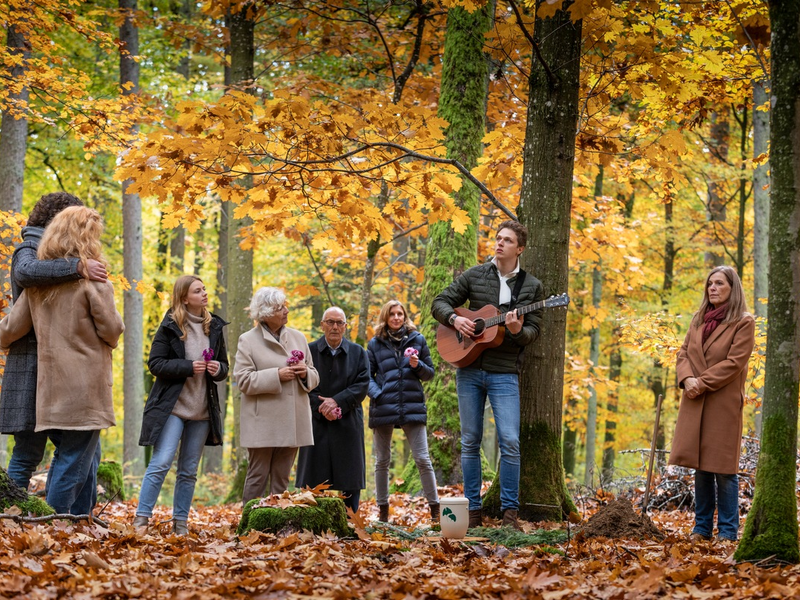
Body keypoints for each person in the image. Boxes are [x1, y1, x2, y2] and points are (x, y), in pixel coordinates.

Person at [0, 206, 124, 515]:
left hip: (49, 387)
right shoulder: (94, 281)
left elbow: (10, 330)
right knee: (74, 457)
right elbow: (112, 330)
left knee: (60, 455)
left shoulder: (36, 287)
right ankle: (57, 524)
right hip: (86, 386)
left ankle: (42, 521)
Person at [432, 220, 544, 529]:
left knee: (509, 441)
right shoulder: (474, 275)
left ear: (519, 248)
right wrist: (456, 319)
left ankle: (510, 513)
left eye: (507, 240)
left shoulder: (531, 287)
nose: (499, 244)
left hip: (504, 372)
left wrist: (518, 331)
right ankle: (473, 511)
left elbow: (533, 332)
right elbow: (439, 302)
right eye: (497, 238)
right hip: (468, 368)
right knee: (470, 441)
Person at [134, 275, 228, 535]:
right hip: (173, 408)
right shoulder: (170, 325)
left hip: (202, 411)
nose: (204, 294)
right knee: (162, 461)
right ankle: (141, 520)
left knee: (188, 470)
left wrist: (217, 368)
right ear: (185, 298)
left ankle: (180, 523)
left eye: (205, 289)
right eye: (198, 291)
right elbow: (155, 364)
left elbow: (225, 367)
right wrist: (188, 367)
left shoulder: (215, 327)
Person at [669, 265, 755, 542]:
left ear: (733, 288)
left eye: (719, 283)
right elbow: (683, 353)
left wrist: (700, 382)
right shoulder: (698, 318)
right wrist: (687, 379)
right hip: (694, 400)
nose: (713, 288)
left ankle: (728, 531)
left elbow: (734, 363)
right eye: (710, 284)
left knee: (723, 468)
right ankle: (701, 528)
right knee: (700, 466)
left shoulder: (743, 321)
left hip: (722, 402)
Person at [235, 287, 320, 505]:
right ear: (265, 312)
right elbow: (243, 380)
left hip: (293, 420)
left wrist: (305, 373)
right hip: (262, 421)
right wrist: (276, 375)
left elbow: (314, 375)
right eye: (280, 307)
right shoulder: (248, 340)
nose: (286, 311)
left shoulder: (299, 338)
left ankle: (279, 524)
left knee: (282, 478)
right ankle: (250, 521)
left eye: (285, 306)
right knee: (257, 476)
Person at [367, 300, 439, 524]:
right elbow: (366, 377)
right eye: (392, 314)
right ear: (385, 317)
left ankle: (435, 509)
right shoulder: (375, 343)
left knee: (422, 458)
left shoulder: (417, 339)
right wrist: (378, 395)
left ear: (405, 316)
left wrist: (417, 365)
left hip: (412, 404)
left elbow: (430, 374)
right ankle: (383, 510)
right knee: (382, 461)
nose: (396, 317)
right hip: (383, 406)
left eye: (400, 314)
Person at [296, 307, 369, 513]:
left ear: (345, 327)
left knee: (350, 478)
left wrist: (337, 402)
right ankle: (311, 519)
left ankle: (351, 521)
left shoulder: (358, 352)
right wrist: (322, 407)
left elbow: (362, 385)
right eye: (330, 322)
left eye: (339, 323)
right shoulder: (308, 351)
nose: (335, 327)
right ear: (322, 325)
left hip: (348, 421)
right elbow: (302, 385)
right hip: (316, 422)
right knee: (313, 477)